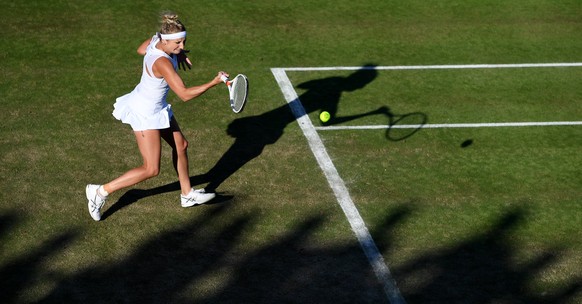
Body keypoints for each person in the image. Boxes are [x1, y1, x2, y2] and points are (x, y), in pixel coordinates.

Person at [86, 12, 228, 221]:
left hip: (157, 107)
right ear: (166, 40)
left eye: (183, 42)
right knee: (151, 168)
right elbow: (184, 94)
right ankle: (100, 192)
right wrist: (213, 82)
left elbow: (140, 49)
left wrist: (176, 53)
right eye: (178, 43)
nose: (182, 47)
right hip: (145, 113)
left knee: (181, 145)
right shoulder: (162, 63)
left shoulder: (155, 42)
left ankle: (187, 194)